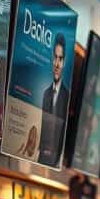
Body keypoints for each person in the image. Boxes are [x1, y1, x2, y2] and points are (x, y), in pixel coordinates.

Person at [39, 33, 70, 167]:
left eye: (60, 59)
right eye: (55, 58)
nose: (57, 64)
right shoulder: (45, 94)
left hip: (55, 162)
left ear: (64, 62)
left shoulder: (67, 96)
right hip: (41, 159)